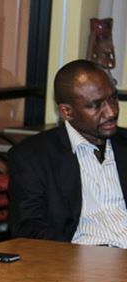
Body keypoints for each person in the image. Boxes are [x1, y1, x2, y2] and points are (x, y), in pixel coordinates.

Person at [8, 59, 127, 247]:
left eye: (113, 98)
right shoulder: (32, 157)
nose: (111, 112)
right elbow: (28, 227)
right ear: (66, 112)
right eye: (96, 105)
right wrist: (76, 256)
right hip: (81, 256)